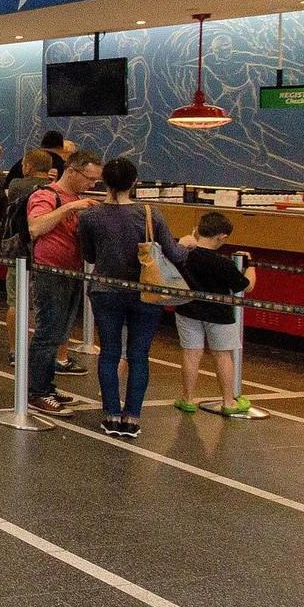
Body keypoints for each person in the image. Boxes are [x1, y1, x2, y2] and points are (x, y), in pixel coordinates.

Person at [79, 157, 186, 438]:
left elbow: (89, 255)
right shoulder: (150, 213)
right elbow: (175, 254)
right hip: (144, 291)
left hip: (105, 291)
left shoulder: (90, 216)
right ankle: (132, 418)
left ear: (104, 182)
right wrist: (190, 246)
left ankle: (111, 414)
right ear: (135, 182)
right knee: (139, 355)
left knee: (109, 352)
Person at [25, 149, 102, 413]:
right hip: (50, 272)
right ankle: (36, 391)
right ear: (72, 171)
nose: (92, 184)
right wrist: (69, 207)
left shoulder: (78, 199)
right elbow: (35, 227)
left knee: (59, 333)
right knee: (47, 333)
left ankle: (45, 385)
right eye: (89, 178)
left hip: (71, 272)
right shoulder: (46, 195)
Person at [3, 148, 82, 374]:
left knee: (17, 302)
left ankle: (16, 351)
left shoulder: (17, 185)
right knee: (55, 318)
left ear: (27, 166)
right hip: (47, 260)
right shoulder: (50, 192)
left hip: (22, 255)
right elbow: (36, 225)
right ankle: (59, 358)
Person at [173, 212, 257, 415]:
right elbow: (247, 286)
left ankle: (187, 399)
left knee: (191, 353)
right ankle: (228, 402)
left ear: (198, 230)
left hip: (188, 309)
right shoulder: (224, 263)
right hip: (219, 314)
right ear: (222, 237)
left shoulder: (184, 255)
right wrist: (251, 265)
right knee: (222, 355)